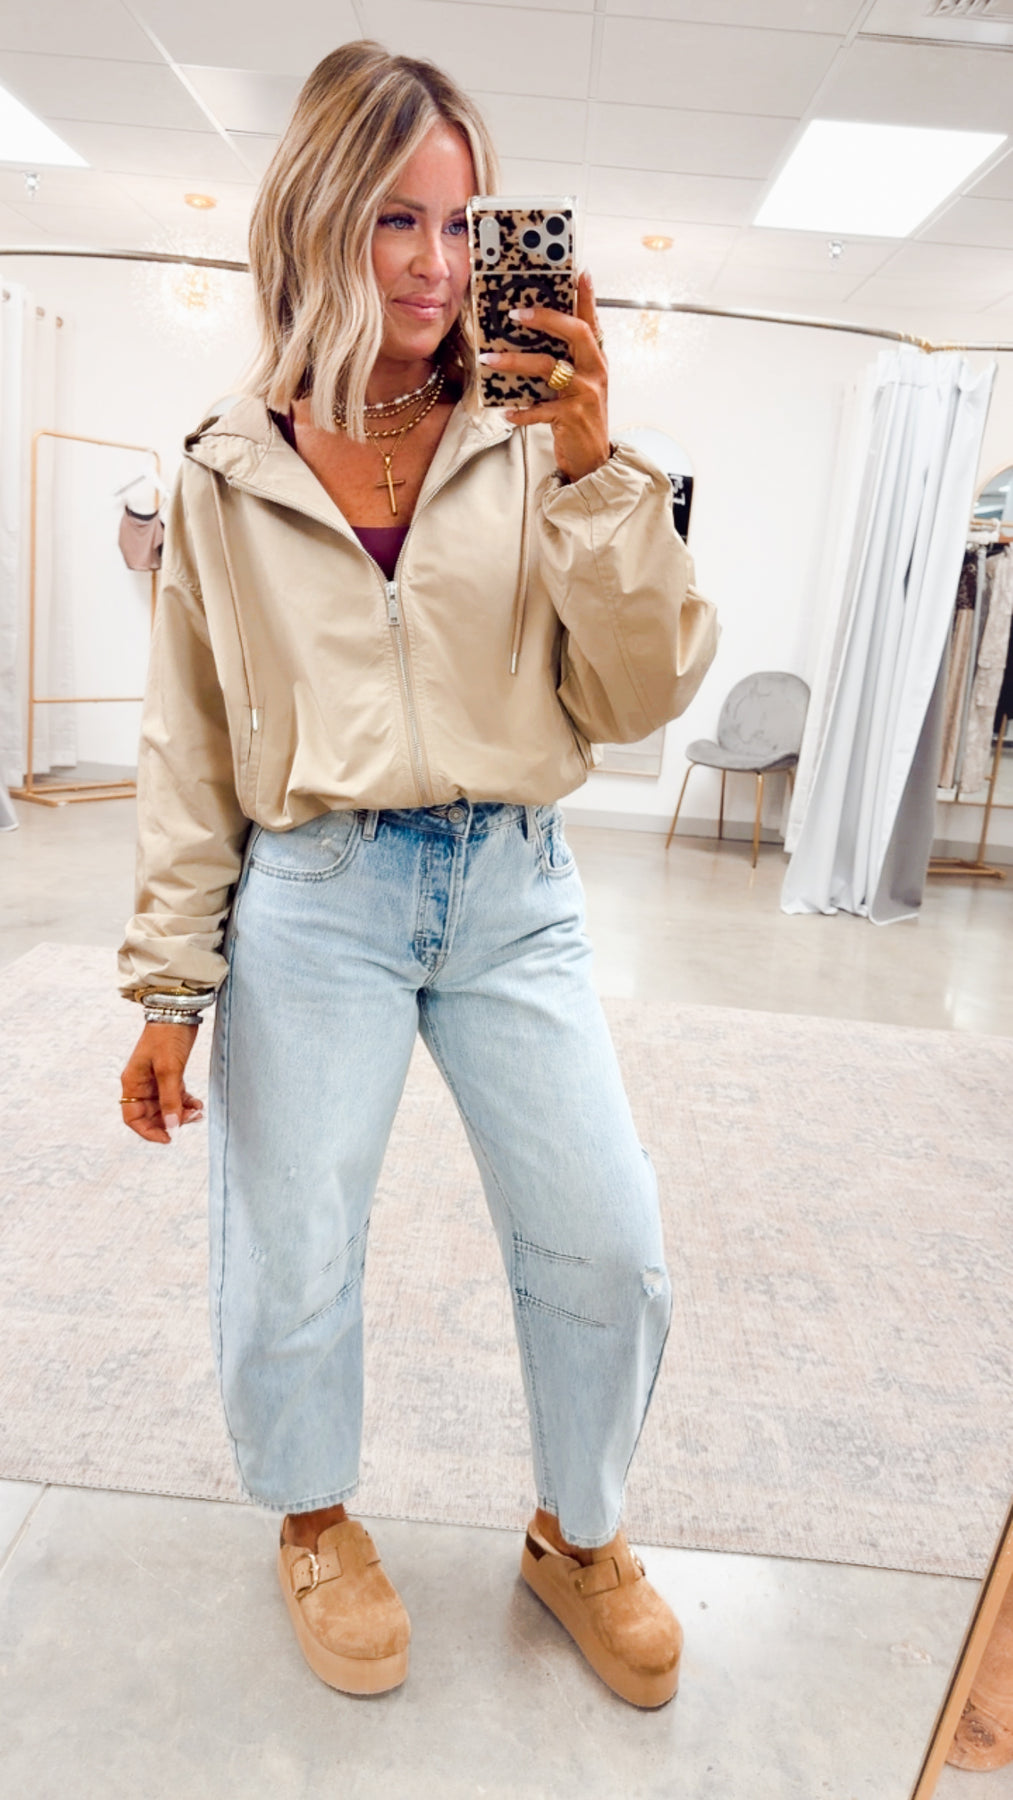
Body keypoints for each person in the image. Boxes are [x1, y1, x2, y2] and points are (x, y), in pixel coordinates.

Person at [117, 41, 719, 1708]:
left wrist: (597, 478)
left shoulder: (531, 438)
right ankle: (314, 1519)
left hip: (513, 889)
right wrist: (170, 986)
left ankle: (578, 1532)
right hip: (314, 898)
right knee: (292, 1239)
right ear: (316, 218)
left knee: (607, 1237)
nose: (439, 265)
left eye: (463, 223)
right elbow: (189, 741)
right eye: (395, 218)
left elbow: (640, 697)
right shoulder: (222, 465)